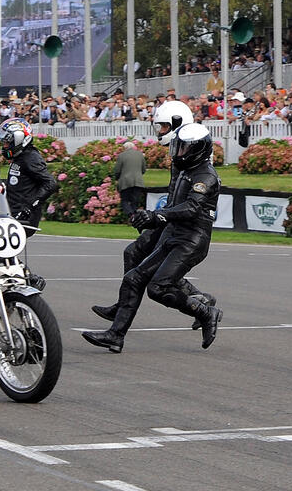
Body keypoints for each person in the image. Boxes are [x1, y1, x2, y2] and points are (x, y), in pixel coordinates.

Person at [81, 122, 223, 353]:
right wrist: (150, 219)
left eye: (184, 148)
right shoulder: (185, 170)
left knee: (159, 288)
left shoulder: (205, 176)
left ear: (197, 150)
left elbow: (191, 209)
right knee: (133, 279)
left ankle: (206, 312)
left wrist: (157, 216)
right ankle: (115, 336)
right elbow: (174, 205)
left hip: (191, 241)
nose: (178, 153)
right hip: (175, 234)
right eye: (178, 147)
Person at [0, 118, 58, 228]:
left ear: (18, 139)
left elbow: (51, 183)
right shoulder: (19, 156)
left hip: (24, 218)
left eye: (6, 142)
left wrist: (30, 206)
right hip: (11, 214)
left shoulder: (31, 158)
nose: (4, 146)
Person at [113, 141, 147, 216]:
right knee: (135, 201)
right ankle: (134, 215)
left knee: (124, 200)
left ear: (125, 148)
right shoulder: (140, 155)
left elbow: (117, 170)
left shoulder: (121, 156)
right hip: (138, 181)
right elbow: (143, 169)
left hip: (125, 182)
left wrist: (116, 178)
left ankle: (130, 213)